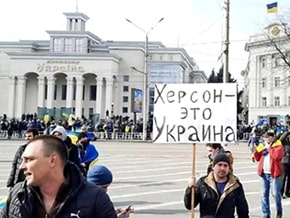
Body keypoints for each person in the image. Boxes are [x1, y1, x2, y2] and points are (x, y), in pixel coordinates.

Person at [0, 135, 117, 218]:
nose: (22, 166)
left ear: (52, 161)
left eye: (29, 160)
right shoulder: (18, 193)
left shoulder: (95, 199)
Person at [183, 153, 249, 218]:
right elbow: (189, 205)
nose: (222, 168)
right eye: (219, 165)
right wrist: (190, 189)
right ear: (213, 166)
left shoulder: (235, 185)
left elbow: (243, 211)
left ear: (229, 168)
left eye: (225, 165)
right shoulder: (203, 183)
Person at [254, 131, 284, 218]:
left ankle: (279, 211)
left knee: (275, 194)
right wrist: (256, 151)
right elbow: (257, 158)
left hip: (274, 174)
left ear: (273, 137)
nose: (268, 138)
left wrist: (269, 148)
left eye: (270, 136)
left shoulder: (278, 146)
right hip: (264, 173)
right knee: (264, 194)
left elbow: (276, 156)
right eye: (266, 136)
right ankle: (266, 213)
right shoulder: (262, 145)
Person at [279, 129, 290, 198]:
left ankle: (287, 192)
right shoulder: (285, 142)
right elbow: (281, 138)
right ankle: (281, 192)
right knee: (283, 178)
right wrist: (288, 131)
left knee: (289, 179)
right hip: (285, 161)